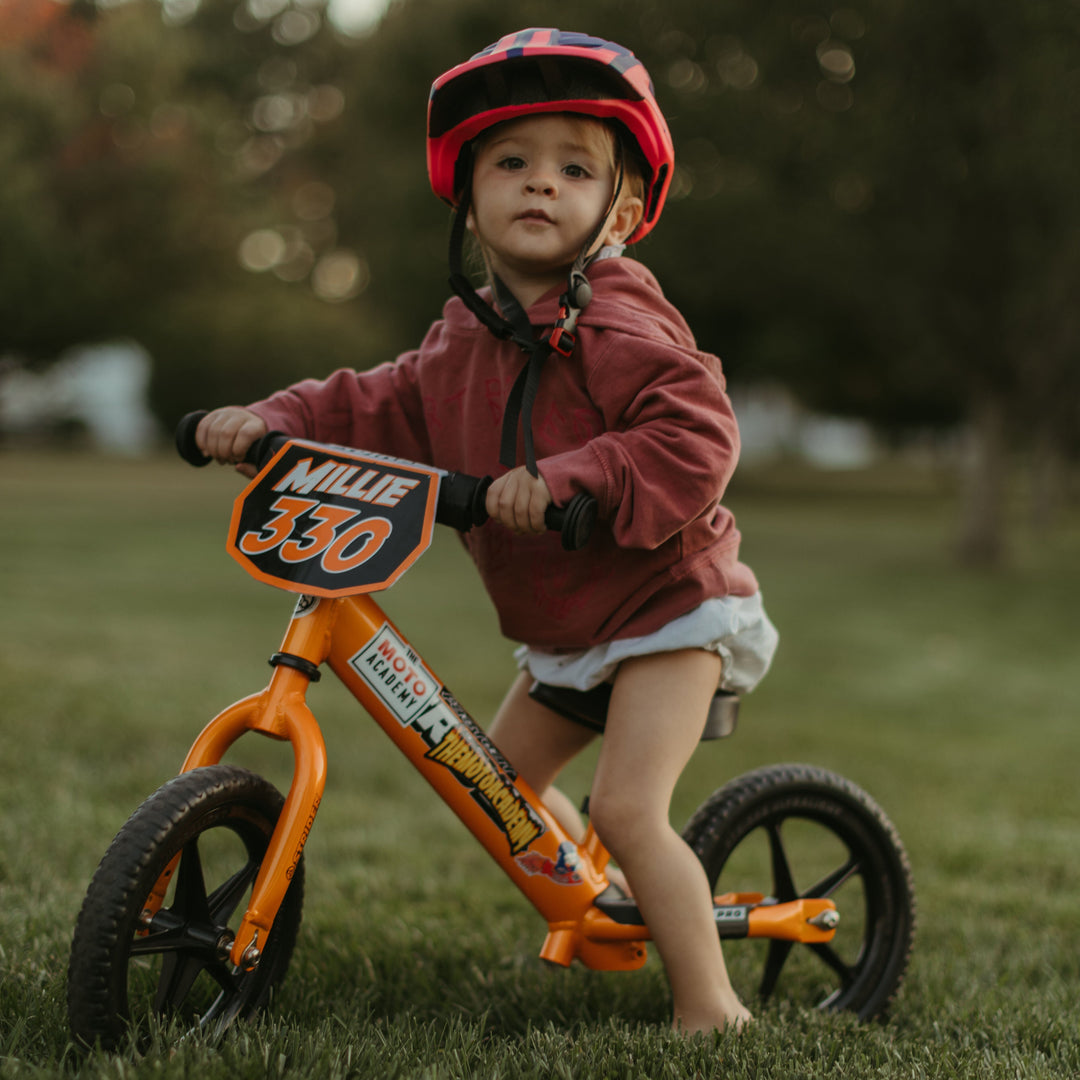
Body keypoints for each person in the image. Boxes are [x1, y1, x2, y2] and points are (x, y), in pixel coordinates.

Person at [196, 28, 778, 1036]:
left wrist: (570, 475)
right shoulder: (463, 334)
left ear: (622, 209)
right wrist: (272, 421)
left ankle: (709, 1005)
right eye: (511, 163)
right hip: (564, 622)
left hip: (671, 609)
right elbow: (374, 402)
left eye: (573, 167)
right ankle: (596, 902)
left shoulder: (621, 324)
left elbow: (696, 434)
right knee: (494, 784)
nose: (539, 185)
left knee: (628, 809)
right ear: (469, 197)